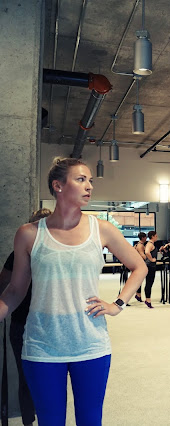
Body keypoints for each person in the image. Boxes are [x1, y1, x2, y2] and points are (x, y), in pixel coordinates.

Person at [0, 157, 147, 425]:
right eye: (81, 180)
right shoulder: (29, 234)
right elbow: (15, 290)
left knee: (90, 420)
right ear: (58, 186)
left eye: (90, 180)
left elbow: (139, 267)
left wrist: (117, 304)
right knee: (50, 422)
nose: (89, 186)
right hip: (42, 345)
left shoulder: (102, 229)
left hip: (90, 344)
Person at [0, 208, 52, 426]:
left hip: (49, 325)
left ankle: (42, 419)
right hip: (22, 324)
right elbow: (4, 284)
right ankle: (29, 421)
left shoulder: (54, 256)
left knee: (45, 379)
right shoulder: (17, 255)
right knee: (26, 377)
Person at [143, 230, 159, 308]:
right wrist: (151, 259)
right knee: (149, 282)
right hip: (150, 265)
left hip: (150, 265)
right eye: (156, 236)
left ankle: (148, 299)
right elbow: (147, 252)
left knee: (149, 282)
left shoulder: (150, 244)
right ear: (152, 236)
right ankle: (148, 300)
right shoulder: (150, 244)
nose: (157, 237)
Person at [134, 231, 147, 302]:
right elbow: (142, 255)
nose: (146, 238)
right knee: (139, 280)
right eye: (145, 237)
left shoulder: (137, 244)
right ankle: (138, 294)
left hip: (136, 263)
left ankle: (138, 294)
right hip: (139, 264)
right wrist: (149, 259)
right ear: (142, 238)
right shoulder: (140, 245)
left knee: (138, 280)